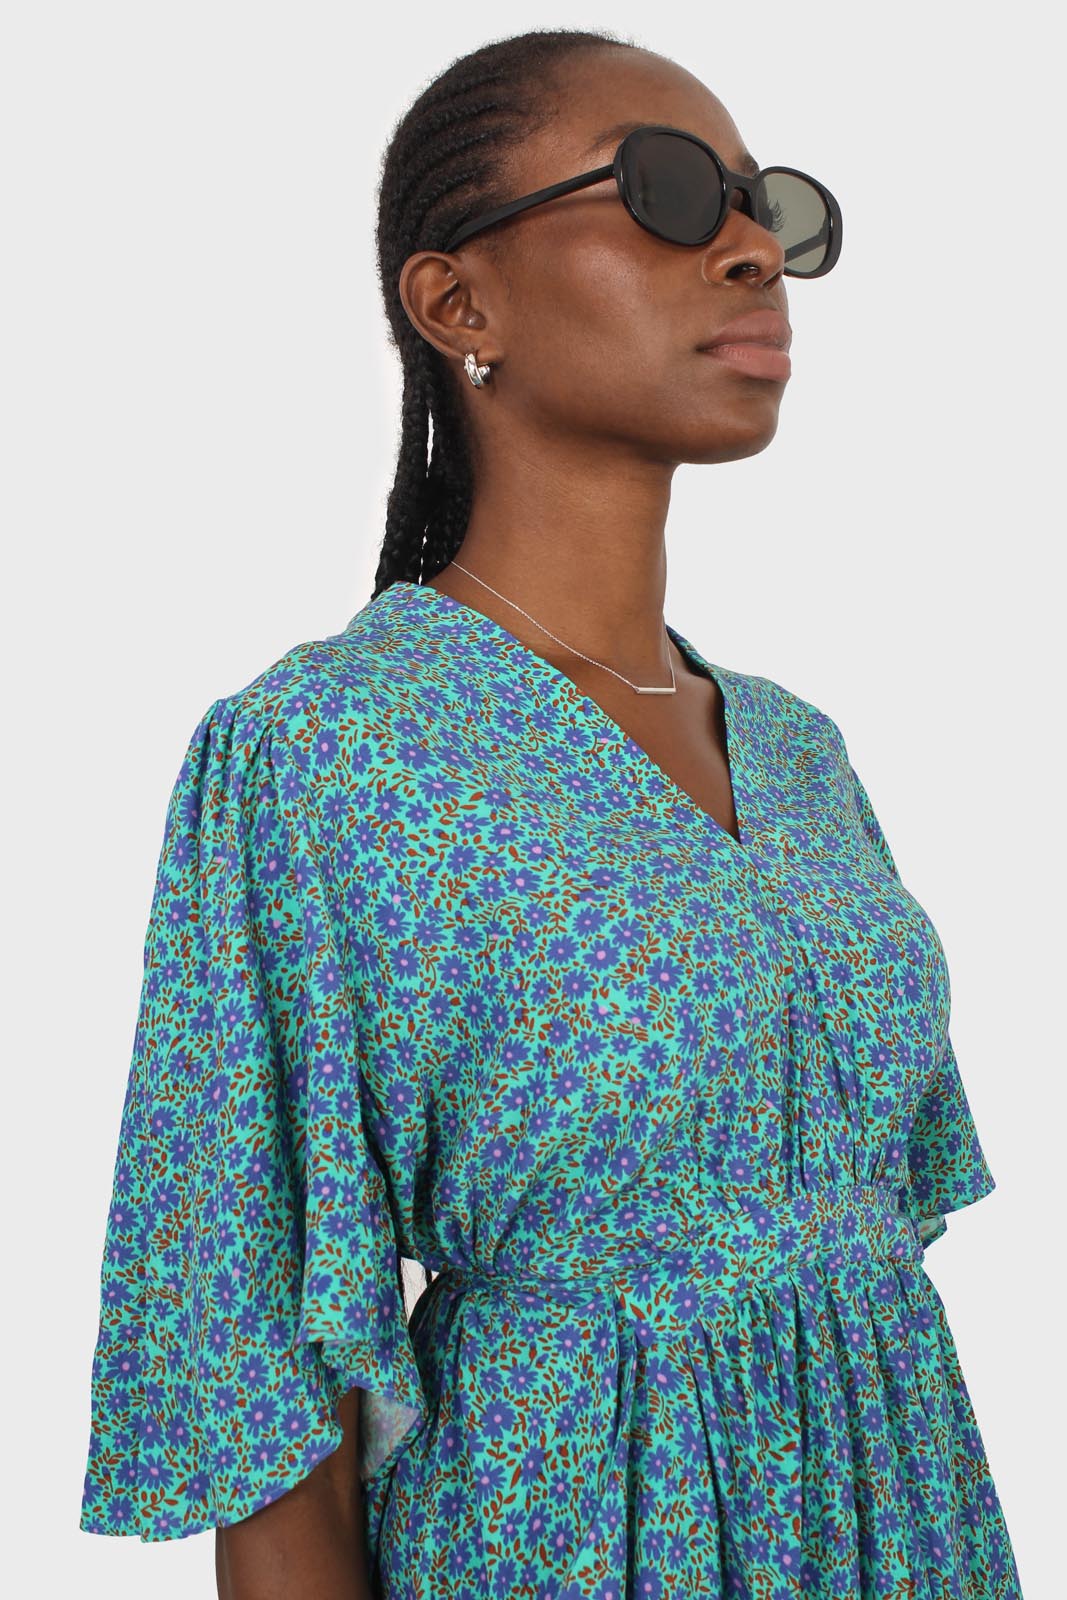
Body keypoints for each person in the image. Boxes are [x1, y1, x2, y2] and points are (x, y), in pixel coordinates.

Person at [78, 26, 1024, 1600]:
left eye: (766, 206)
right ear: (459, 304)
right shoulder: (325, 752)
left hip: (897, 1522)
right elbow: (262, 1372)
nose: (750, 249)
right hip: (573, 1542)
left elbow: (870, 1243)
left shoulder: (800, 750)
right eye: (666, 192)